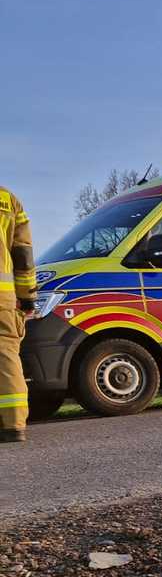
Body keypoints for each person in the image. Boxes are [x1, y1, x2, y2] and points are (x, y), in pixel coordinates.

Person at [0, 185, 35, 442]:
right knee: (6, 355)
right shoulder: (8, 199)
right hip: (3, 295)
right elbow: (23, 253)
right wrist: (27, 296)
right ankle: (13, 424)